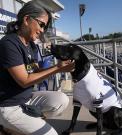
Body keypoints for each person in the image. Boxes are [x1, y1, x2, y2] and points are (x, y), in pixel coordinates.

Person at [0, 1, 74, 135]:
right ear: (27, 19)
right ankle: (8, 127)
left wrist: (59, 66)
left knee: (62, 100)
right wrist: (58, 68)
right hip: (8, 106)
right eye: (41, 24)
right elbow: (24, 80)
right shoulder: (9, 43)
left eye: (44, 27)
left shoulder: (31, 45)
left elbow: (36, 72)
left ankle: (19, 127)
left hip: (26, 99)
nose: (42, 30)